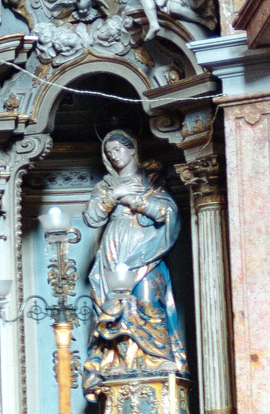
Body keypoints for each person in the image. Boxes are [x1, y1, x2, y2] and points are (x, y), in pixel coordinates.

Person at [81, 129, 189, 385]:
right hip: (114, 250)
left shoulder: (152, 181)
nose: (114, 155)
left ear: (132, 149)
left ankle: (156, 356)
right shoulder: (105, 186)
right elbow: (92, 217)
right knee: (116, 307)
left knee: (148, 299)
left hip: (147, 249)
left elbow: (167, 213)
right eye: (109, 153)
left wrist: (133, 200)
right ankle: (121, 360)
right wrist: (114, 195)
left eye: (118, 149)